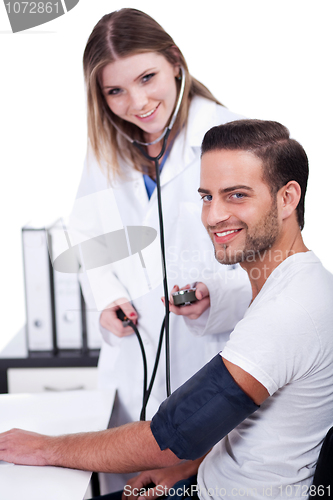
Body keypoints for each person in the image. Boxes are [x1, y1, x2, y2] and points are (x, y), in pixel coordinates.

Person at [1, 119, 333, 499]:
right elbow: (250, 427)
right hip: (203, 481)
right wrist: (188, 466)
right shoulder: (296, 283)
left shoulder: (289, 309)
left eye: (237, 195)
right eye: (207, 196)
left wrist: (47, 448)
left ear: (288, 198)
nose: (213, 216)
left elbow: (171, 435)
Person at [69, 8, 251, 493]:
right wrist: (107, 299)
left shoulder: (236, 137)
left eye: (147, 77)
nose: (138, 102)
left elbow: (271, 255)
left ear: (174, 61)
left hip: (211, 362)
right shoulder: (106, 147)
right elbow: (89, 236)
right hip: (135, 370)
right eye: (115, 91)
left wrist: (218, 295)